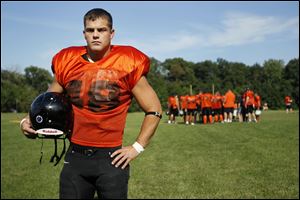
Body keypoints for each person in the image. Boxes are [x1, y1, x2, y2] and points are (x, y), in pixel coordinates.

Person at [20, 8, 162, 199]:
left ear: (112, 34)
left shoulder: (127, 62)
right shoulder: (68, 61)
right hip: (76, 157)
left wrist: (137, 147)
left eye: (102, 30)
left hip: (111, 158)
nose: (96, 35)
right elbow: (48, 102)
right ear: (84, 33)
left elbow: (154, 109)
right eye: (90, 30)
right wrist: (27, 121)